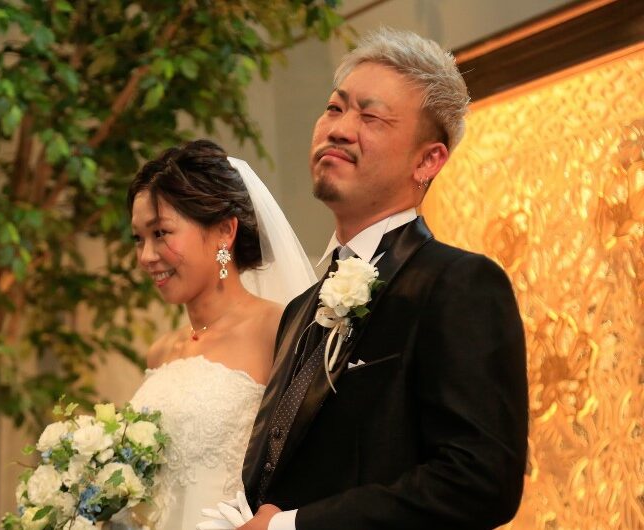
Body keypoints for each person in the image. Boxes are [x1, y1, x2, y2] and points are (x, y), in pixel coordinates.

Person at [238, 27, 529, 530]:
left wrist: (292, 526)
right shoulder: (300, 309)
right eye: (334, 108)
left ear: (428, 160)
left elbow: (480, 480)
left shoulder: (458, 284)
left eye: (370, 117)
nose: (340, 129)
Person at [123, 139, 317, 530]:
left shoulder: (279, 330)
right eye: (139, 239)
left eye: (161, 233)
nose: (146, 256)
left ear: (224, 231)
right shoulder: (160, 352)